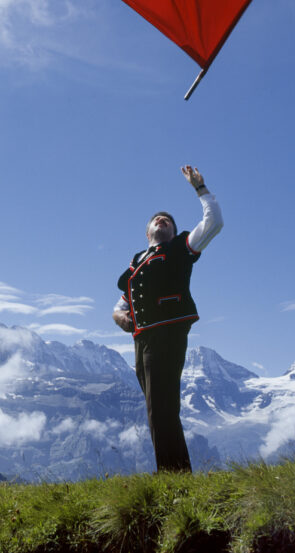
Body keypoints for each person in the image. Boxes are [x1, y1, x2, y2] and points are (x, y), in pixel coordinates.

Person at [113, 165, 222, 472]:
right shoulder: (136, 264)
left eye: (169, 221)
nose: (163, 220)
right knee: (156, 407)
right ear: (147, 232)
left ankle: (173, 475)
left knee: (161, 405)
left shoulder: (179, 249)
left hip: (167, 333)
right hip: (142, 339)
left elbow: (214, 223)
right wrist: (118, 316)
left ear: (173, 232)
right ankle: (175, 473)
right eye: (157, 219)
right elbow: (120, 304)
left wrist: (201, 189)